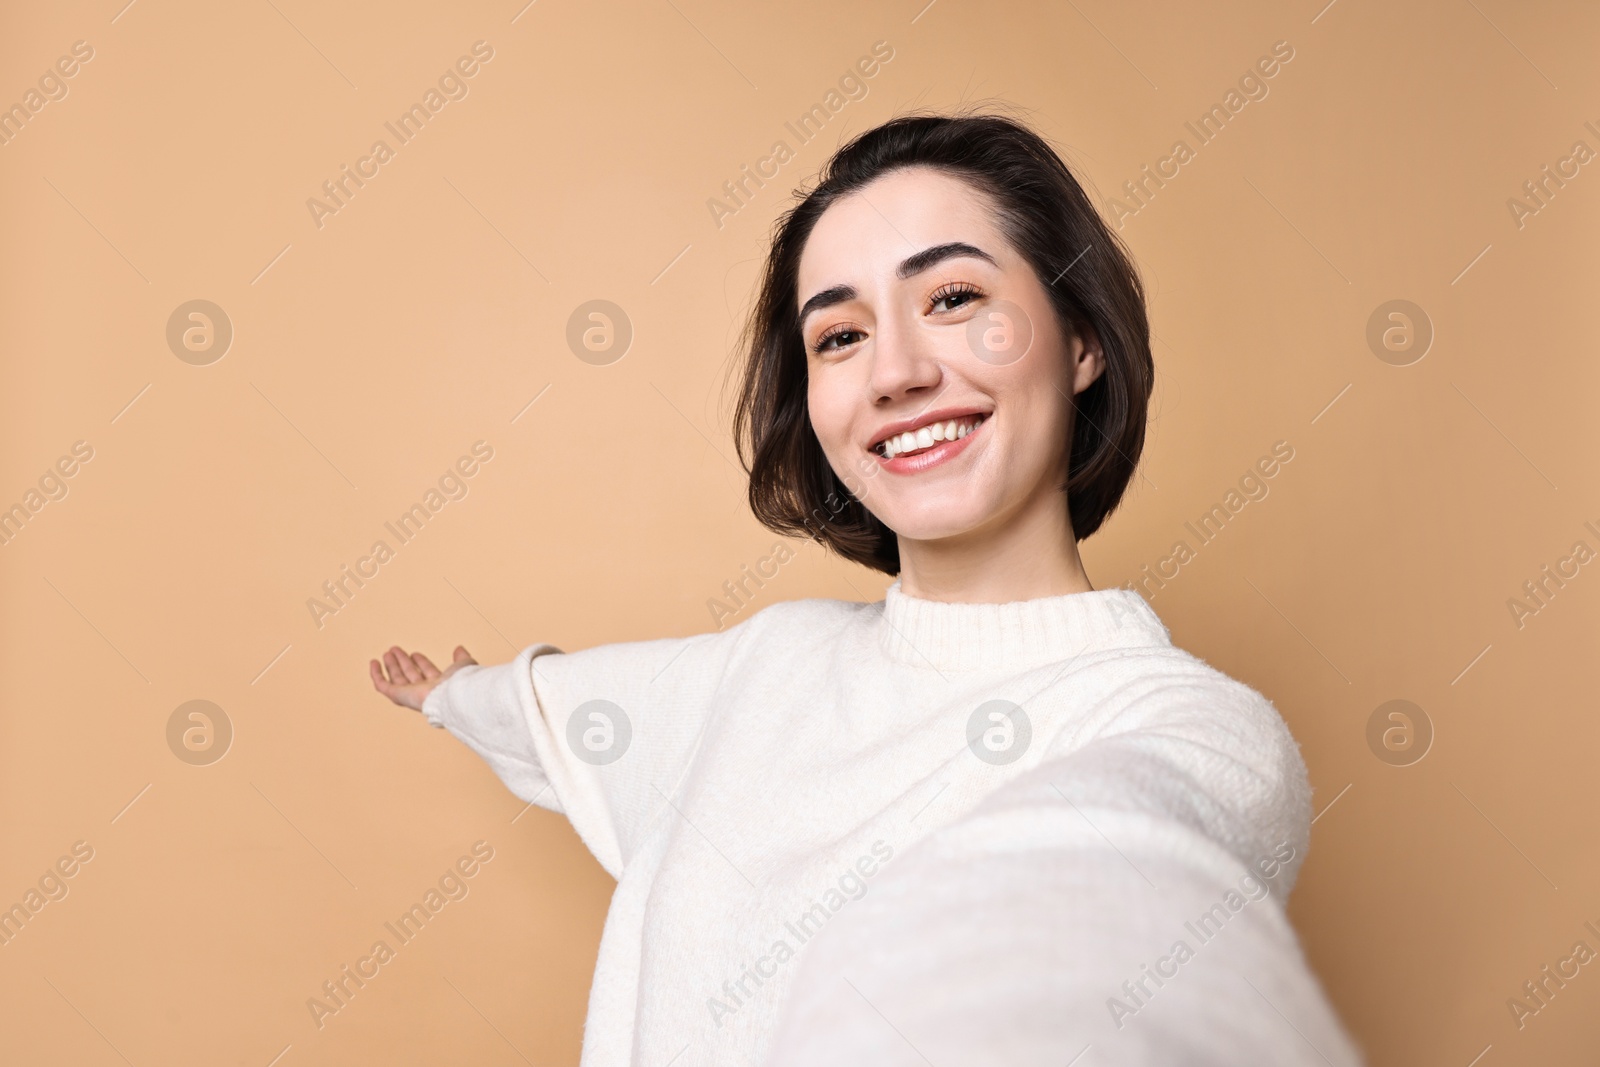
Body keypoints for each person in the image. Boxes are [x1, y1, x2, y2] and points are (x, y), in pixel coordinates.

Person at [370, 112, 1363, 1066]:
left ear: (1080, 342)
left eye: (954, 299)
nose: (893, 371)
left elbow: (1095, 901)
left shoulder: (1193, 733)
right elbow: (568, 711)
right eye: (839, 336)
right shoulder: (766, 664)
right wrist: (457, 695)